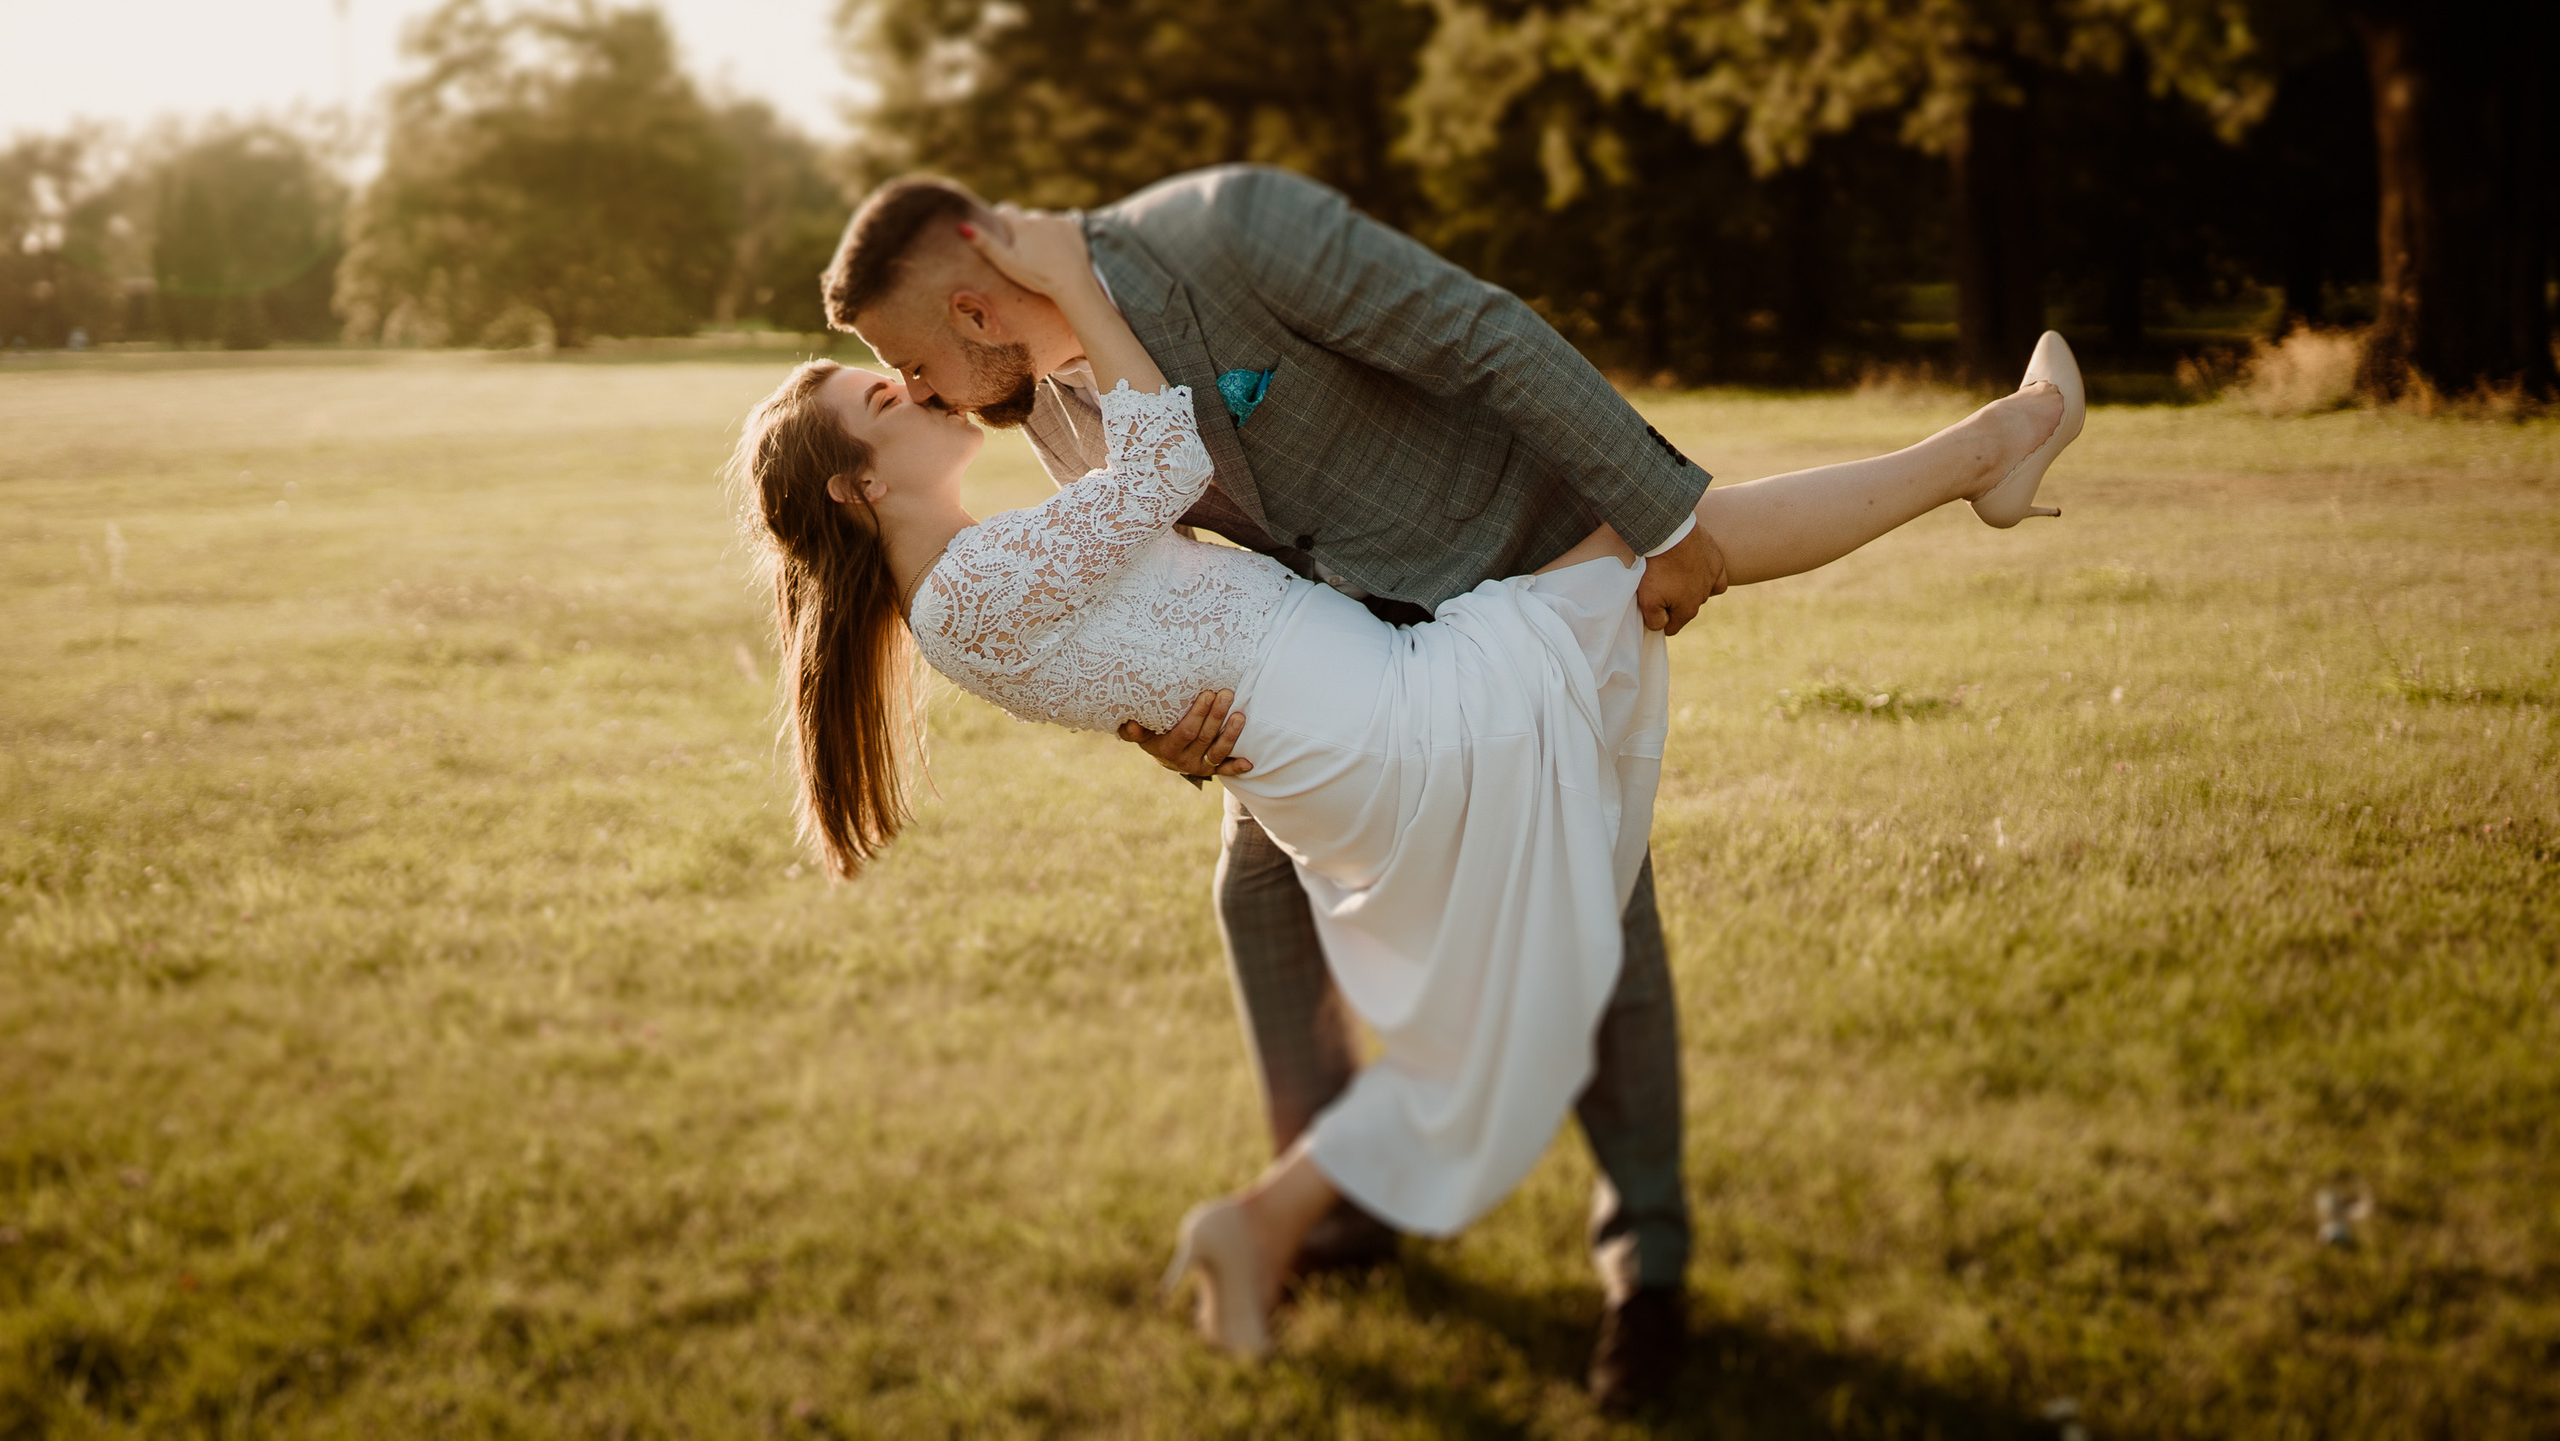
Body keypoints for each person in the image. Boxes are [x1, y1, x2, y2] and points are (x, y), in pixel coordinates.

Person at [733, 189, 2084, 1374]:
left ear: (970, 303)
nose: (917, 386)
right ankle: (1322, 1214)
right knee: (1337, 910)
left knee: (1583, 907)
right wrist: (1156, 724)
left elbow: (1476, 340)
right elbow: (1132, 559)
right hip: (1339, 714)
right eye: (885, 386)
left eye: (905, 361)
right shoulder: (1020, 462)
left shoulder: (1222, 236)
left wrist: (1655, 519)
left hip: (1432, 603)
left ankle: (1636, 1264)